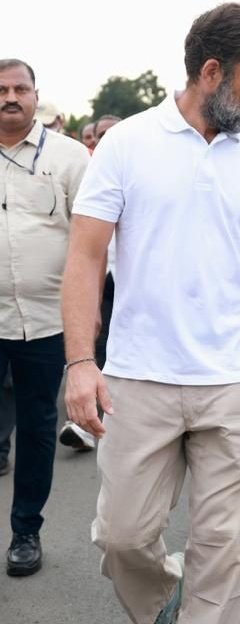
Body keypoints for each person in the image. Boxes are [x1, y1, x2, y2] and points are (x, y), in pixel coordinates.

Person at [61, 3, 240, 624]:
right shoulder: (125, 145)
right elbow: (86, 258)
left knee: (222, 552)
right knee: (121, 538)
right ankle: (161, 595)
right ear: (210, 72)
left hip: (235, 383)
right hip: (137, 379)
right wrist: (79, 363)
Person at [0, 58, 89, 576]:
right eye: (1, 89)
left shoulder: (70, 157)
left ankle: (25, 531)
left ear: (36, 95)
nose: (10, 97)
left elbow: (95, 241)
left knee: (36, 428)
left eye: (20, 89)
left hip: (46, 320)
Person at [58, 114, 124, 453]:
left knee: (116, 349)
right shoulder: (83, 174)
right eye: (99, 135)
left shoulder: (133, 170)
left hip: (127, 279)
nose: (103, 140)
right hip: (94, 276)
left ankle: (99, 420)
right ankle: (86, 421)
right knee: (94, 348)